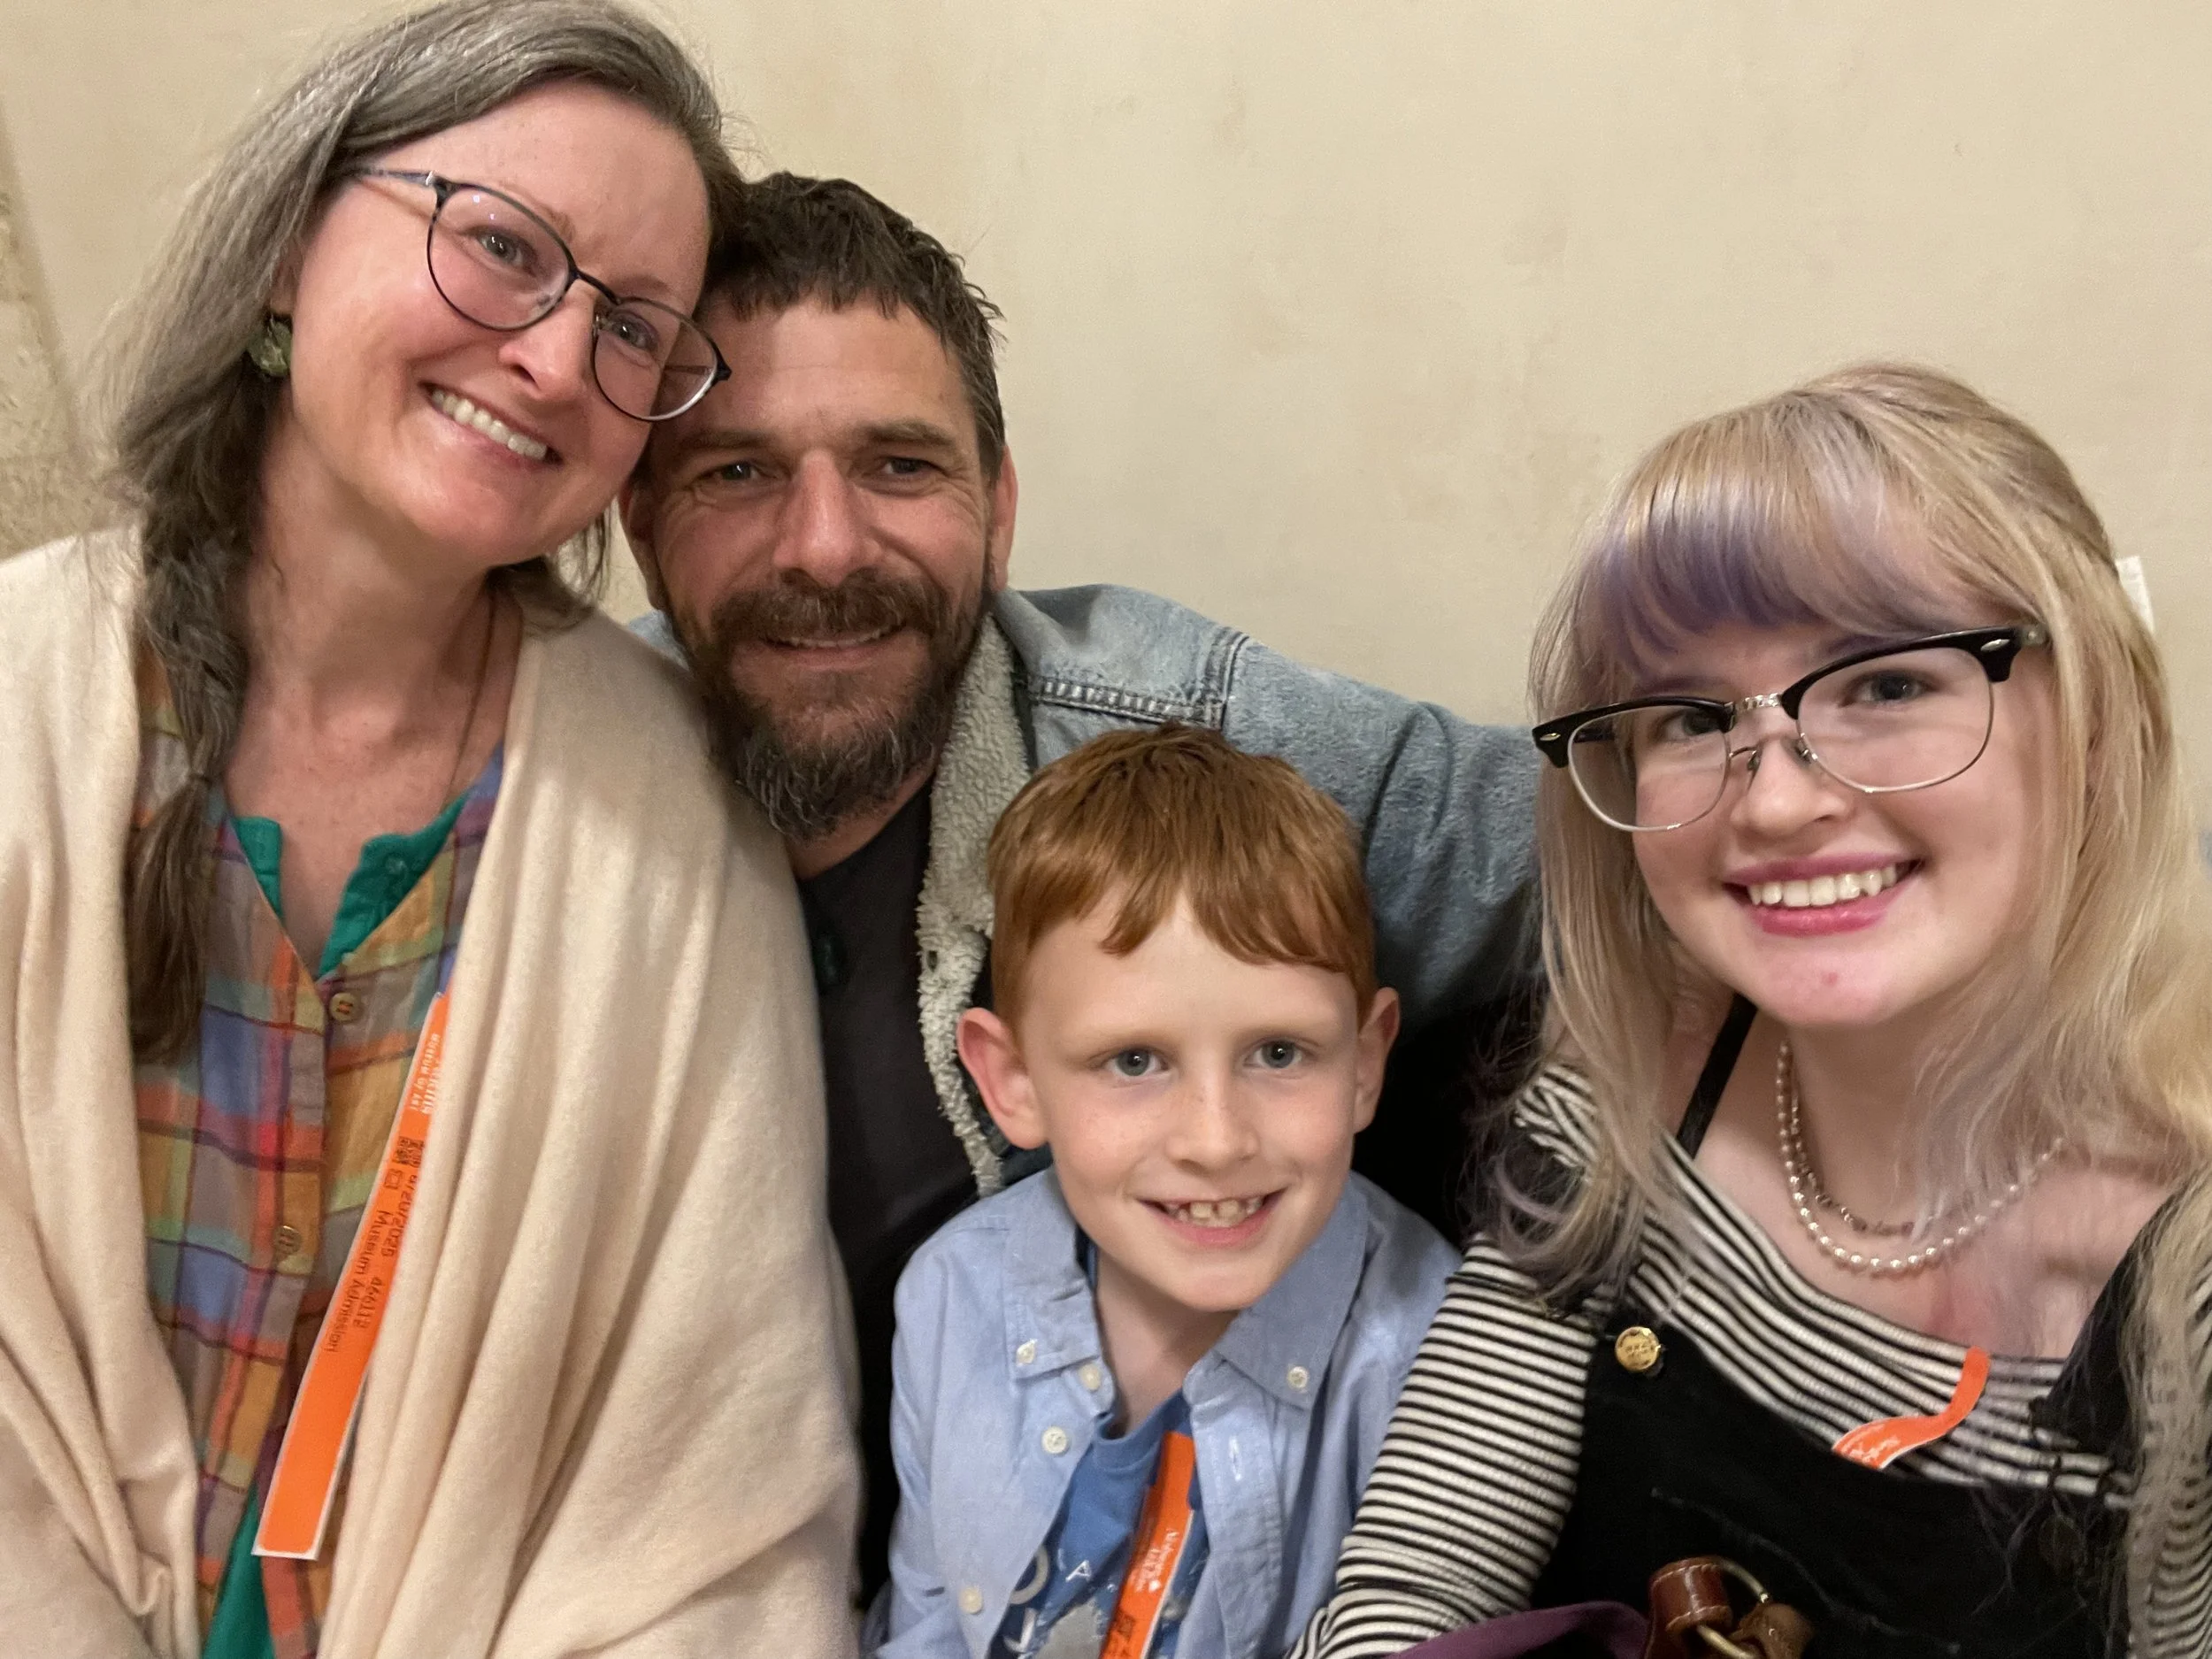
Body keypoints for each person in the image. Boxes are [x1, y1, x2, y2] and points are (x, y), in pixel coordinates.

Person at [0, 5, 856, 1656]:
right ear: (283, 250)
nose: (551, 357)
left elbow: (719, 1493)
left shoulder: (677, 814)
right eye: (500, 248)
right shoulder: (26, 705)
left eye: (634, 331)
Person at [621, 173, 1540, 1590]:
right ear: (639, 522)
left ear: (996, 508)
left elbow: (1614, 862)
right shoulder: (551, 797)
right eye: (736, 471)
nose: (822, 543)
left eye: (899, 465)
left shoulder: (1160, 727)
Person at [1292, 365, 2212, 1658]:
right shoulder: (1610, 1104)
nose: (1774, 802)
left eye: (1887, 682)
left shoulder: (2185, 1291)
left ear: (2099, 715)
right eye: (1690, 714)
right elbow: (1404, 1591)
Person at [871, 726, 1457, 1657]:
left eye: (1278, 1053)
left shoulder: (1438, 1362)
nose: (1215, 1141)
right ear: (1011, 1080)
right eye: (1133, 1061)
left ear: (1364, 1062)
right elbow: (927, 1625)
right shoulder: (952, 1293)